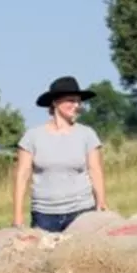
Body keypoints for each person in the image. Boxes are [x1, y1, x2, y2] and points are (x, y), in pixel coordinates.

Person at [12, 75, 109, 233]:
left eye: (78, 101)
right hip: (44, 215)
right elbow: (22, 176)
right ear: (55, 102)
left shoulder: (87, 134)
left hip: (81, 212)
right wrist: (17, 216)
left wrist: (101, 202)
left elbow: (95, 170)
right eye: (71, 100)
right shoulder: (32, 137)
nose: (76, 105)